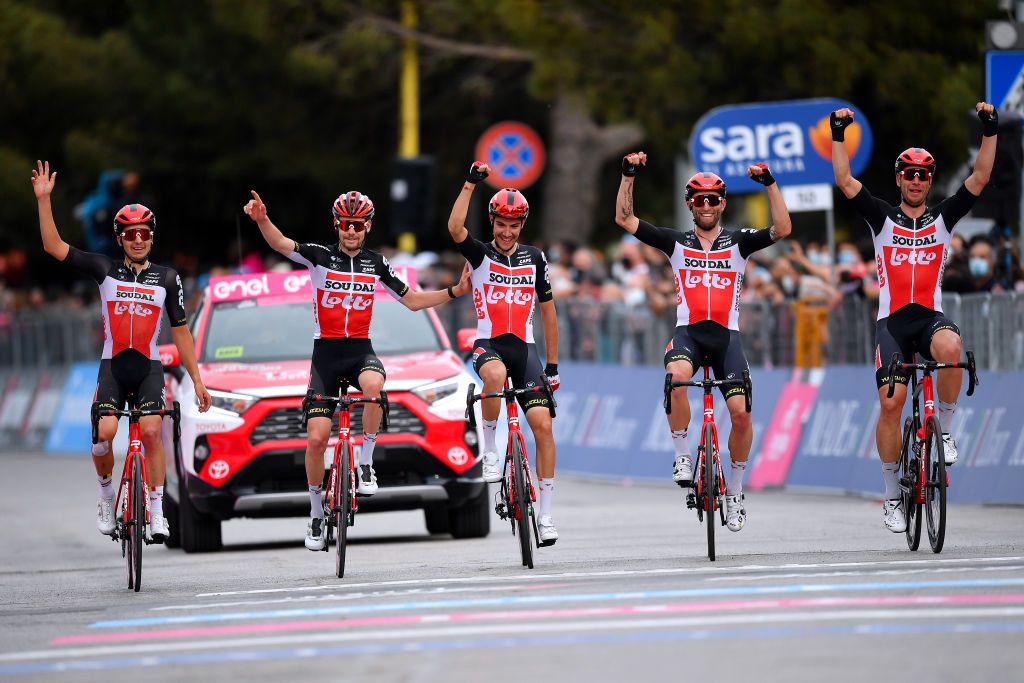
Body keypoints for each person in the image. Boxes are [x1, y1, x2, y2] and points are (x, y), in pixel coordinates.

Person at [244, 189, 471, 551]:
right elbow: (281, 244)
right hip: (326, 357)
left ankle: (365, 463)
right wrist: (261, 220)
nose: (351, 231)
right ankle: (317, 514)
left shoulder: (376, 263)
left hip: (359, 350)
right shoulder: (319, 257)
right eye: (346, 225)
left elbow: (412, 300)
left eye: (358, 225)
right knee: (317, 439)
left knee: (375, 386)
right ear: (337, 225)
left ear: (368, 226)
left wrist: (455, 292)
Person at [830, 103, 998, 533]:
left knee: (951, 348)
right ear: (899, 177)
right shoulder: (882, 217)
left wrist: (990, 131)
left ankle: (944, 430)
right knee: (892, 403)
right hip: (891, 324)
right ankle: (891, 494)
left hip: (928, 317)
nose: (917, 179)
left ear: (930, 179)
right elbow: (846, 181)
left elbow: (979, 179)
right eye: (910, 172)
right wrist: (837, 135)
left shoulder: (943, 219)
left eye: (925, 173)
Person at [32, 160, 212, 543]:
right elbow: (53, 246)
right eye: (130, 234)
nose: (138, 239)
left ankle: (158, 509)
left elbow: (181, 333)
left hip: (147, 366)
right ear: (119, 239)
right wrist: (44, 201)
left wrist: (197, 380)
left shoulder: (167, 278)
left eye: (144, 233)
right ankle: (104, 496)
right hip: (113, 365)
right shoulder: (105, 270)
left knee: (150, 431)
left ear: (152, 236)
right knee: (105, 433)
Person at [615, 152, 792, 532]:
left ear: (723, 203)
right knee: (675, 377)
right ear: (690, 205)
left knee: (741, 414)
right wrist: (628, 175)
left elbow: (781, 228)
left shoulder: (739, 242)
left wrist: (770, 183)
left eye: (714, 199)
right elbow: (625, 219)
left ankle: (736, 491)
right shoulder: (676, 243)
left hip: (727, 337)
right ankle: (682, 454)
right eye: (700, 199)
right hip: (689, 334)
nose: (707, 205)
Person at [447, 162, 561, 546]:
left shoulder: (535, 258)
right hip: (489, 344)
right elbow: (454, 229)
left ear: (522, 226)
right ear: (492, 221)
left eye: (514, 226)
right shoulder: (479, 254)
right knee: (493, 378)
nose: (507, 231)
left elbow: (548, 311)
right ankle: (491, 450)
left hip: (525, 349)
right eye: (500, 224)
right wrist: (470, 185)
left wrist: (553, 365)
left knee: (543, 427)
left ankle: (545, 515)